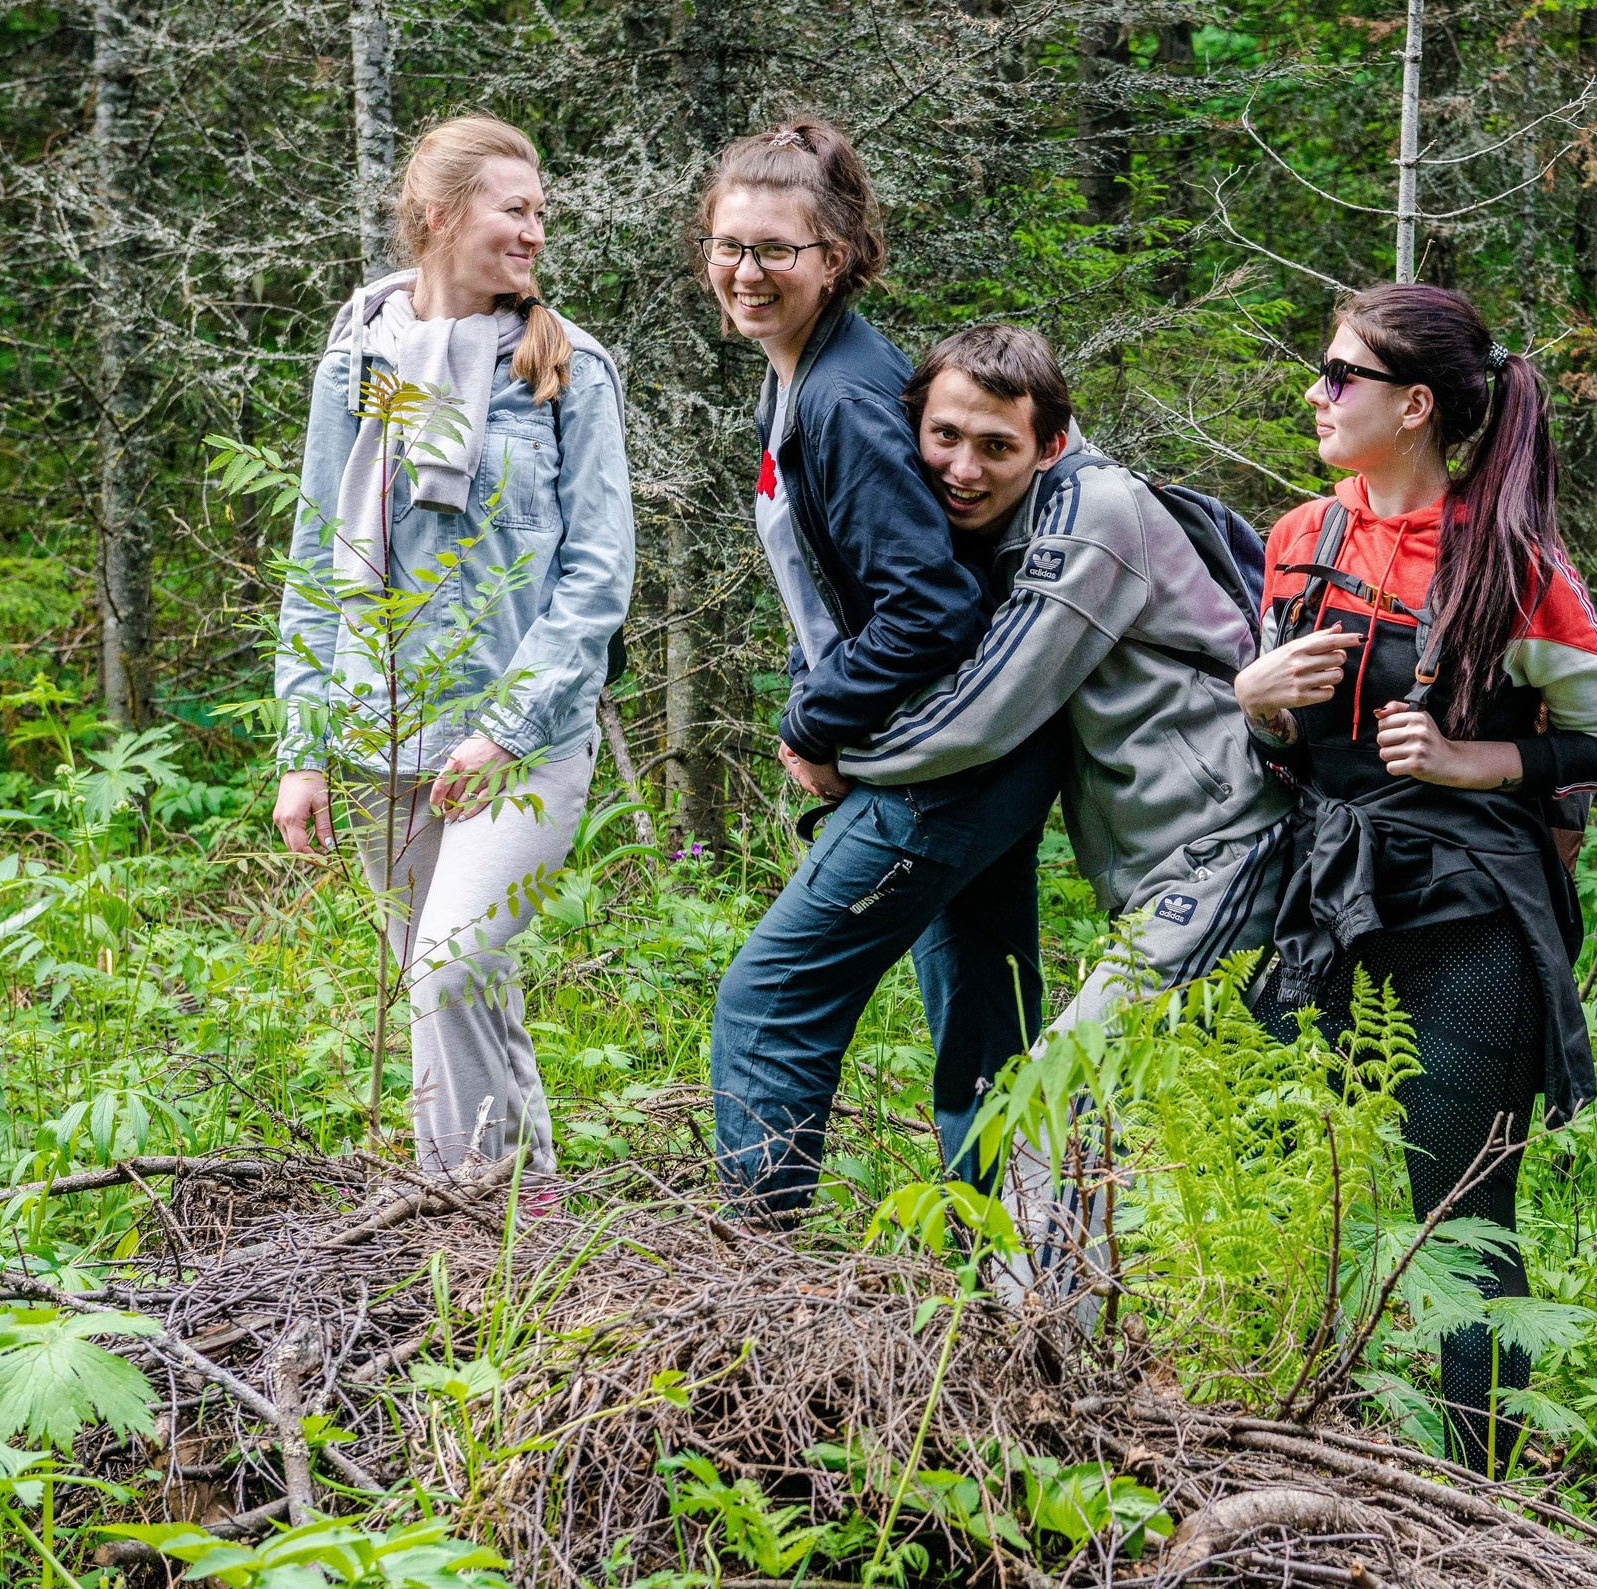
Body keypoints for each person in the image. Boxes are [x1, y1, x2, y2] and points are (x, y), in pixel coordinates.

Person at [1237, 283, 1597, 1471]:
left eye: (1340, 376)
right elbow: (1283, 750)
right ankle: (1283, 1441)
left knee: (1461, 1213)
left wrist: (1476, 760)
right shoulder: (1298, 538)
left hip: (1469, 913)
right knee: (1289, 1182)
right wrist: (1253, 699)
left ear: (1413, 406)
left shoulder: (1509, 564)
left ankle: (1478, 1494)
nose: (1315, 393)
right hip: (1323, 895)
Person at [699, 119, 1065, 1211]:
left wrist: (813, 722)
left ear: (837, 256)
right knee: (984, 1031)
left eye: (777, 249)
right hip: (978, 743)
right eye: (729, 245)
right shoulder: (804, 378)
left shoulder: (843, 398)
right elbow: (849, 587)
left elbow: (929, 606)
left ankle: (756, 1274)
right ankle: (1017, 1276)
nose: (747, 272)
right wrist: (825, 701)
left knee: (767, 1001)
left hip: (946, 758)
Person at [273, 115, 635, 1179]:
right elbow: (318, 556)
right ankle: (515, 1213)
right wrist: (303, 747)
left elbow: (597, 577)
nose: (535, 232)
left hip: (523, 744)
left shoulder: (565, 369)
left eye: (539, 213)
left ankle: (472, 1213)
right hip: (380, 735)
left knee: (450, 969)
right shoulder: (359, 360)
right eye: (513, 209)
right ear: (438, 216)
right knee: (452, 999)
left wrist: (505, 729)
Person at [832, 325, 1289, 1046]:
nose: (962, 469)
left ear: (1048, 445)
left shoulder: (1092, 515)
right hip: (1166, 868)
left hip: (1227, 852)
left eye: (996, 447)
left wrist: (842, 754)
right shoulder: (1027, 513)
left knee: (1057, 1097)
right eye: (945, 435)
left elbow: (988, 708)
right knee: (1182, 1105)